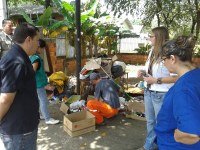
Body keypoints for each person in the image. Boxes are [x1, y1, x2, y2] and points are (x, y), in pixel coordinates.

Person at [155, 35, 200, 149]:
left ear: (172, 58)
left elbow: (191, 134)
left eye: (163, 59)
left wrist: (177, 136)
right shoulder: (195, 75)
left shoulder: (184, 89)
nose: (163, 63)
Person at [0, 23, 40, 150]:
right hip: (19, 130)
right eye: (37, 40)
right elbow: (5, 99)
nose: (38, 44)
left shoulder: (19, 56)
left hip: (22, 127)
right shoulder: (16, 62)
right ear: (29, 39)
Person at [137, 27, 178, 150]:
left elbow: (176, 78)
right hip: (149, 91)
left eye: (151, 36)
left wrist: (155, 80)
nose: (149, 38)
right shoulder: (152, 51)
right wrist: (142, 71)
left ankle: (161, 145)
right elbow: (152, 71)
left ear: (159, 37)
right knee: (150, 122)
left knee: (162, 123)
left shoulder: (169, 55)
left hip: (161, 94)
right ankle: (150, 145)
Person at [30, 39, 59, 125]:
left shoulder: (32, 56)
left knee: (39, 100)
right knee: (44, 101)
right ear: (38, 47)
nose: (43, 50)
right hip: (38, 84)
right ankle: (47, 119)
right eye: (42, 48)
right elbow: (32, 72)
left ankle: (40, 115)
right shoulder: (36, 59)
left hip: (37, 83)